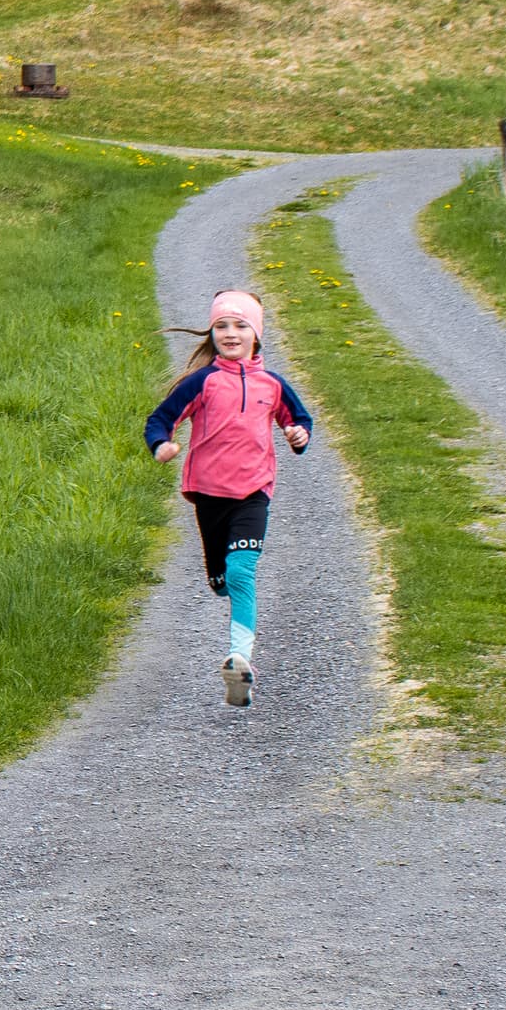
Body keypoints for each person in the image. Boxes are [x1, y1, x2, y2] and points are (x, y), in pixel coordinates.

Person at [144, 288, 315, 707]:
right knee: (220, 579)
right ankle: (219, 581)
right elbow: (160, 419)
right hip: (208, 493)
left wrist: (298, 436)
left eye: (241, 325)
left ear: (256, 334)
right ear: (212, 333)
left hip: (254, 491)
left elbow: (299, 420)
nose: (230, 333)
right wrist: (161, 445)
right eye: (222, 325)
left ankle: (241, 660)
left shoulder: (272, 385)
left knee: (242, 572)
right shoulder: (203, 382)